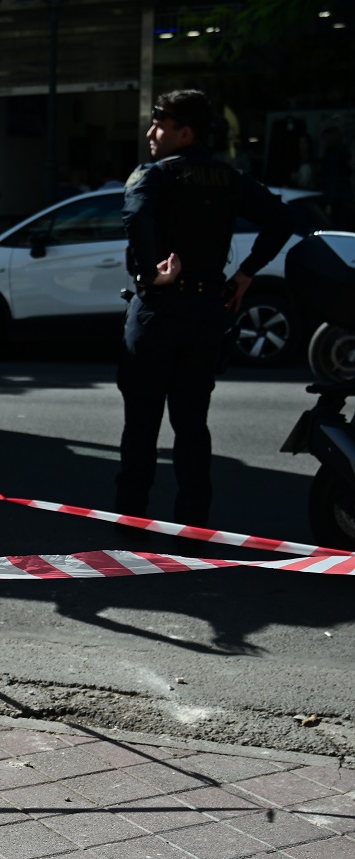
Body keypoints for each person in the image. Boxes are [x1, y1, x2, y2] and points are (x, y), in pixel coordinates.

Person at [115, 89, 293, 536]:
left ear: (184, 132)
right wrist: (247, 274)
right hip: (206, 311)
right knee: (192, 425)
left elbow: (135, 217)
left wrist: (150, 273)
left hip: (158, 310)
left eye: (160, 125)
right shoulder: (230, 178)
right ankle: (194, 525)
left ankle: (132, 522)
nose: (151, 132)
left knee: (141, 423)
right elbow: (282, 220)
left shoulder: (153, 175)